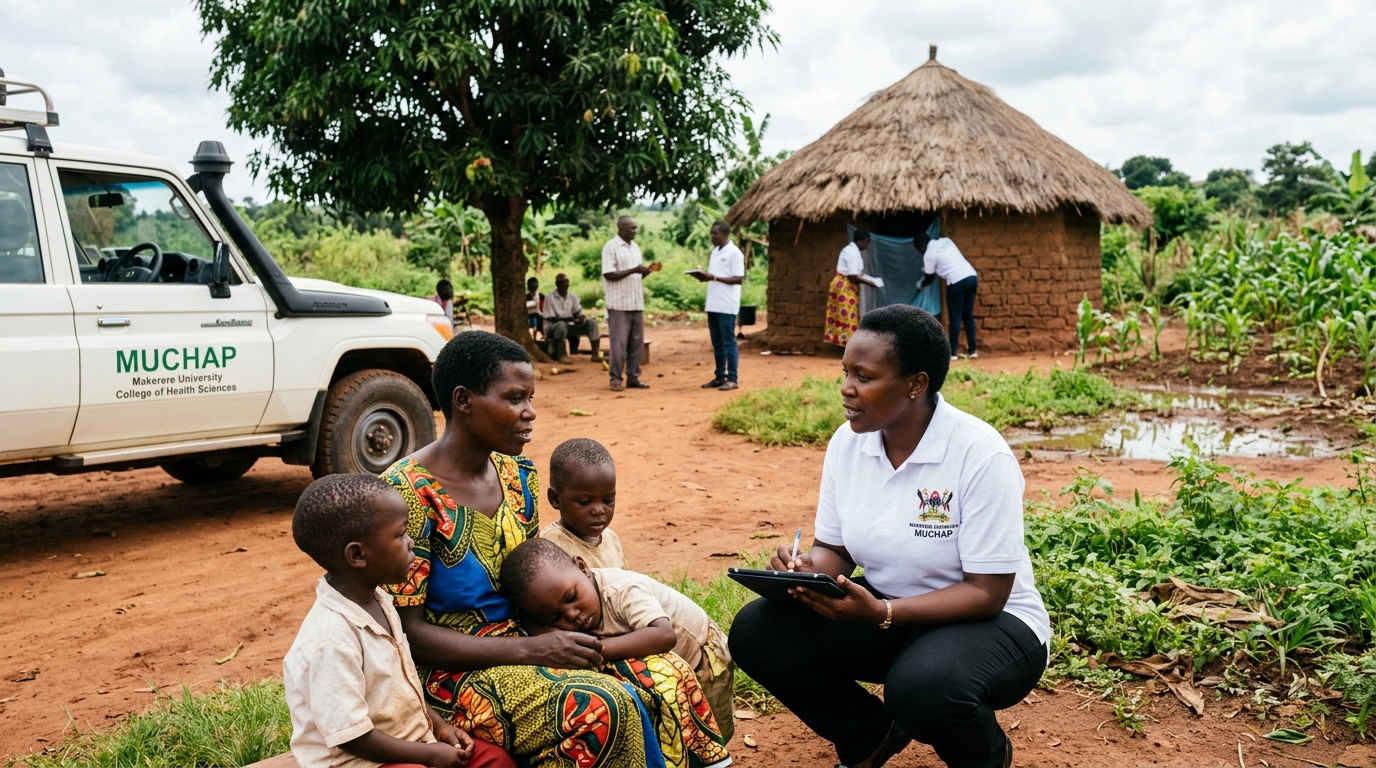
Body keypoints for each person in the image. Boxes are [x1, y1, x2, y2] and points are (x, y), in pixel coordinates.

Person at [730, 305, 1050, 768]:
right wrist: (806, 571)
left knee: (923, 690)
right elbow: (835, 549)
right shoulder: (848, 443)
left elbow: (988, 593)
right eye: (845, 372)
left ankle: (986, 758)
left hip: (992, 623)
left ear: (915, 384)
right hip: (889, 612)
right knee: (759, 630)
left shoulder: (979, 456)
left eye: (863, 376)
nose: (847, 387)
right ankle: (868, 737)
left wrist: (883, 613)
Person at [383, 330, 711, 767]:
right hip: (452, 676)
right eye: (515, 398)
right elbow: (406, 631)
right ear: (463, 400)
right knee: (601, 707)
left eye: (531, 397)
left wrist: (556, 639)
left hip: (534, 642)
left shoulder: (518, 475)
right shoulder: (404, 493)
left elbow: (532, 578)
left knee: (667, 675)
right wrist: (532, 650)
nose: (530, 412)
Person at [284, 473, 515, 768]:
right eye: (400, 534)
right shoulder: (330, 640)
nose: (411, 542)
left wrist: (441, 727)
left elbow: (406, 685)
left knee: (495, 760)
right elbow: (351, 737)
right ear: (358, 554)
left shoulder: (379, 600)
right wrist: (428, 755)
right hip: (360, 762)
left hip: (414, 744)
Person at [501, 538, 736, 751]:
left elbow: (664, 636)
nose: (572, 615)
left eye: (571, 597)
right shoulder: (561, 600)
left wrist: (593, 651)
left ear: (583, 567)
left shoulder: (622, 590)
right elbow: (532, 626)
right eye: (554, 617)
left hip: (702, 657)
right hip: (668, 672)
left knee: (711, 734)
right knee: (676, 731)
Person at [540, 437, 625, 569]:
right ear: (555, 499)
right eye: (585, 502)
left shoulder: (611, 539)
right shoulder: (550, 548)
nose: (599, 510)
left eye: (608, 500)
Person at [602, 215, 661, 391]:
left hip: (636, 302)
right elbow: (609, 274)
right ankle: (615, 378)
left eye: (636, 228)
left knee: (636, 343)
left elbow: (636, 276)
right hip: (619, 304)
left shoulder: (635, 247)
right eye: (632, 228)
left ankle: (633, 376)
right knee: (619, 344)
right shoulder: (611, 247)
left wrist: (646, 271)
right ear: (621, 228)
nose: (635, 231)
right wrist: (634, 269)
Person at [688, 220, 745, 391]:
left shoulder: (735, 253)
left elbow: (738, 278)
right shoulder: (715, 252)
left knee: (729, 342)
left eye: (715, 233)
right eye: (711, 233)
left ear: (725, 234)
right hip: (713, 303)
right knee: (717, 343)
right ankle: (720, 376)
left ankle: (732, 378)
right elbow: (715, 275)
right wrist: (702, 274)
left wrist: (713, 277)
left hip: (726, 304)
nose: (712, 236)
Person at [916, 233, 979, 360]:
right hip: (972, 277)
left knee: (955, 317)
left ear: (922, 247)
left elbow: (929, 277)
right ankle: (973, 351)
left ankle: (952, 353)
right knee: (968, 315)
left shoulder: (929, 254)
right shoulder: (945, 241)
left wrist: (919, 286)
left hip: (957, 281)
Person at [824, 230, 881, 347]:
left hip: (844, 285)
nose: (867, 245)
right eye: (867, 242)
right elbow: (853, 276)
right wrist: (870, 283)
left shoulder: (852, 250)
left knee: (846, 315)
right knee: (848, 316)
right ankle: (849, 346)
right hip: (845, 286)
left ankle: (847, 345)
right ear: (863, 241)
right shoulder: (852, 252)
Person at [543, 273, 601, 363]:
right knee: (561, 325)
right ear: (557, 284)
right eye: (562, 282)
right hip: (554, 326)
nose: (565, 284)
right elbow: (551, 318)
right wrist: (570, 320)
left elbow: (578, 312)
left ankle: (595, 355)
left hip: (570, 324)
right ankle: (562, 355)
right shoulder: (549, 297)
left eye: (567, 282)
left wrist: (580, 318)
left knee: (592, 322)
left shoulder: (572, 297)